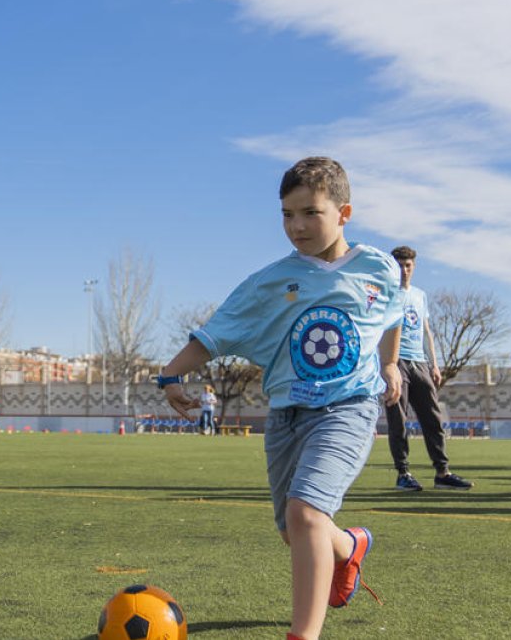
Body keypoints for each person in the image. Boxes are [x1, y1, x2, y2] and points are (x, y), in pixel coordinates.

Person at [157, 157, 398, 640]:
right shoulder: (271, 280)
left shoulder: (379, 268)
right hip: (287, 414)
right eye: (287, 214)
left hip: (348, 409)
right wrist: (170, 375)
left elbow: (392, 315)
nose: (296, 226)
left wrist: (390, 364)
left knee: (305, 513)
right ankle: (349, 547)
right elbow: (219, 330)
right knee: (294, 530)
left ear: (344, 213)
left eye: (310, 213)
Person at [384, 245, 473, 492]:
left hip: (420, 362)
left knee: (433, 418)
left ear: (414, 266)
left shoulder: (420, 295)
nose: (404, 270)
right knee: (398, 419)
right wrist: (384, 364)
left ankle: (442, 473)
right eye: (399, 265)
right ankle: (403, 473)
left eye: (407, 265)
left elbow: (426, 331)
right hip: (396, 361)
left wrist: (434, 363)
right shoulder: (386, 294)